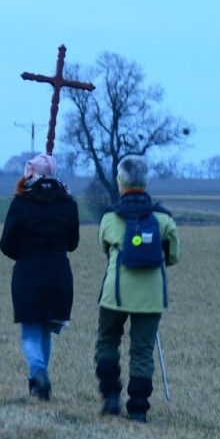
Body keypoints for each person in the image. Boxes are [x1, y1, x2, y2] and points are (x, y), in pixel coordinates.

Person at [94, 155, 180, 423]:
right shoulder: (164, 219)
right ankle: (139, 409)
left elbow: (105, 249)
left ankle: (110, 397)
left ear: (120, 182)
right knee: (142, 351)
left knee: (108, 341)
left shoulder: (110, 217)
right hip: (151, 297)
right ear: (147, 182)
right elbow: (173, 256)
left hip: (115, 294)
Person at [0, 153, 79, 401]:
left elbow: (6, 244)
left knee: (30, 332)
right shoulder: (68, 204)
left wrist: (23, 254)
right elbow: (73, 243)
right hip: (58, 273)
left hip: (28, 273)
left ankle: (38, 372)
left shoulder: (21, 203)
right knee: (45, 330)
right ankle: (38, 388)